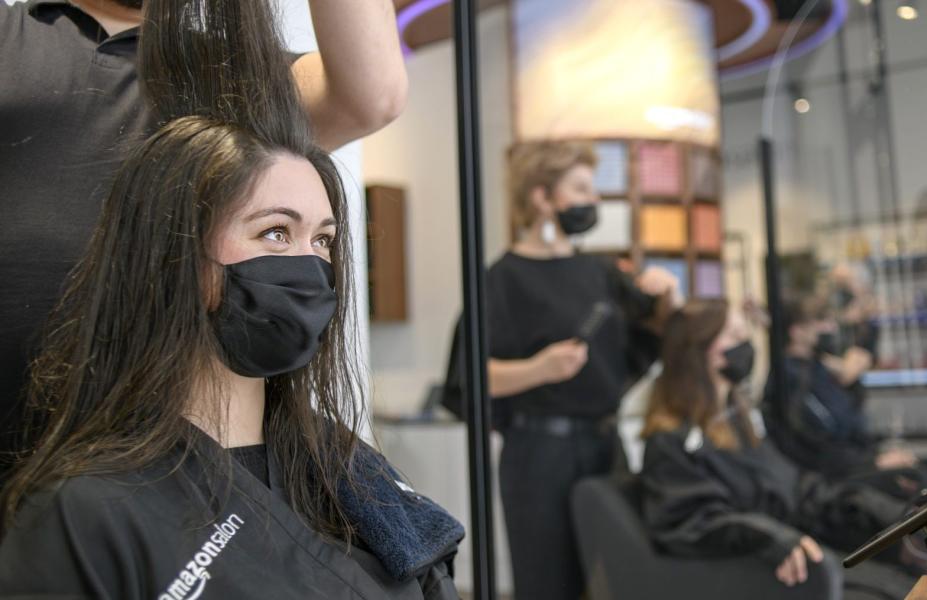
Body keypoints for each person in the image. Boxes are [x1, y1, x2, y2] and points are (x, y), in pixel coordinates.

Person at [0, 2, 461, 598]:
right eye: (276, 232)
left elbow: (371, 91)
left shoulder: (227, 70)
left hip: (172, 448)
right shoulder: (13, 37)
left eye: (321, 239)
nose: (305, 262)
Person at [451, 141, 679, 600]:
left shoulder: (600, 275)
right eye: (580, 188)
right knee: (547, 583)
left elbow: (651, 336)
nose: (592, 201)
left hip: (605, 449)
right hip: (539, 457)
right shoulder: (500, 280)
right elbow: (468, 378)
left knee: (620, 574)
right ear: (541, 196)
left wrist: (667, 294)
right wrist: (538, 369)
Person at [637, 299, 923, 599]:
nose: (746, 345)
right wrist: (772, 538)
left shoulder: (737, 424)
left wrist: (882, 510)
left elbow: (795, 489)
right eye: (735, 337)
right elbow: (695, 522)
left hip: (795, 557)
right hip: (755, 572)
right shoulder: (671, 442)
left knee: (905, 582)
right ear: (698, 351)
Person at [763, 296, 922, 486]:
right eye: (820, 322)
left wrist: (879, 455)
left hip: (855, 463)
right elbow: (816, 449)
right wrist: (875, 463)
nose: (829, 328)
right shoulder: (789, 379)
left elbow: (849, 423)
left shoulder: (816, 368)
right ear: (797, 332)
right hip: (836, 479)